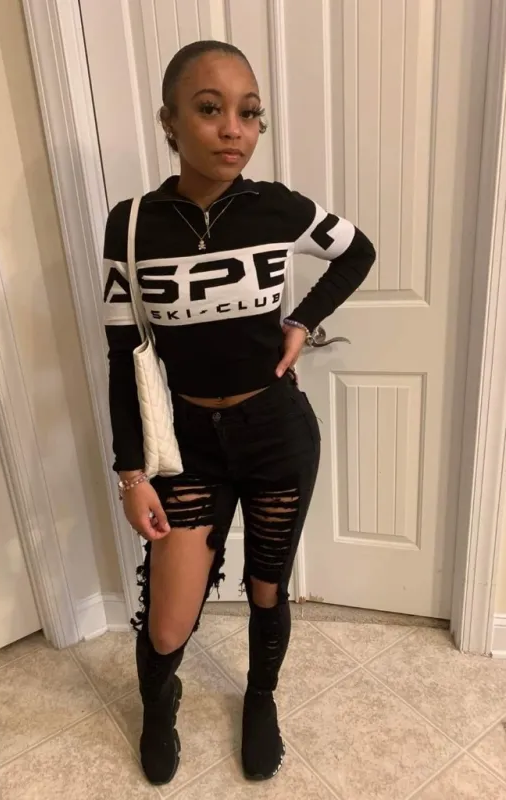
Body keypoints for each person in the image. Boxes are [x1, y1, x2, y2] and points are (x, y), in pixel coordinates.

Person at [103, 40, 376, 786]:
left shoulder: (278, 208)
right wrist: (131, 473)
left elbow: (357, 252)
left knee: (266, 587)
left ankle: (260, 699)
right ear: (169, 121)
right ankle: (159, 703)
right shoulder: (132, 225)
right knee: (169, 620)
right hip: (186, 444)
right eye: (210, 109)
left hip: (275, 434)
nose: (234, 129)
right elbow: (122, 356)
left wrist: (304, 320)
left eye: (249, 113)